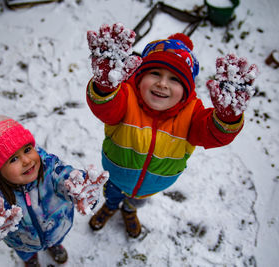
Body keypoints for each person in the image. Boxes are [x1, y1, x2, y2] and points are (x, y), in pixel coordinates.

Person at [85, 23, 258, 238]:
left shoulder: (192, 114)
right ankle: (109, 208)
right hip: (116, 176)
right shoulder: (126, 98)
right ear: (139, 77)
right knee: (111, 195)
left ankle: (129, 211)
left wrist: (227, 117)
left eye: (175, 79)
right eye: (155, 73)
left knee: (137, 202)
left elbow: (213, 133)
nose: (163, 84)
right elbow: (105, 106)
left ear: (187, 90)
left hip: (152, 185)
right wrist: (105, 86)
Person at [0, 98, 108, 267]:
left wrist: (78, 187)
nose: (26, 160)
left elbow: (64, 176)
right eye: (13, 159)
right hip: (22, 241)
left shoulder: (49, 168)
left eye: (27, 150)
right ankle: (30, 260)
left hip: (56, 227)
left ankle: (55, 246)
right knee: (25, 252)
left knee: (55, 238)